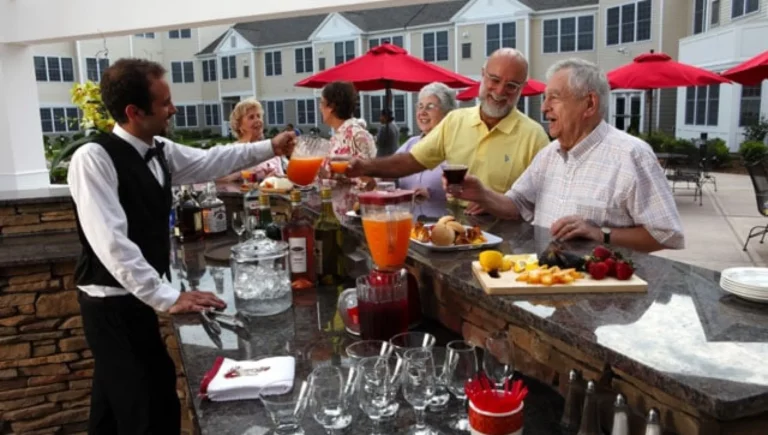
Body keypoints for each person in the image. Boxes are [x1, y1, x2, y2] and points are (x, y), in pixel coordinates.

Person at [67, 58, 296, 434]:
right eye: (165, 102)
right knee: (151, 411)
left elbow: (213, 160)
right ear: (134, 112)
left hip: (135, 301)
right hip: (111, 308)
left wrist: (271, 146)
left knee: (112, 411)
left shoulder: (159, 149)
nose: (173, 109)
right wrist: (168, 297)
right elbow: (112, 243)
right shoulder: (92, 159)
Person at [451, 58, 684, 253]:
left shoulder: (632, 155)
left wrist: (600, 234)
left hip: (602, 291)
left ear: (589, 104)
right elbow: (517, 204)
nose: (544, 108)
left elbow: (666, 235)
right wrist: (482, 194)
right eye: (545, 98)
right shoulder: (548, 155)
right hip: (547, 280)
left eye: (554, 97)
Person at [347, 48, 550, 202]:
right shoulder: (455, 121)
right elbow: (410, 161)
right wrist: (363, 166)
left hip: (505, 238)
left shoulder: (534, 136)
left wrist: (494, 203)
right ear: (482, 74)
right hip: (453, 231)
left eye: (511, 86)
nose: (499, 91)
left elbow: (542, 200)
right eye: (494, 80)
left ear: (522, 88)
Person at [395, 82, 456, 201]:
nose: (422, 112)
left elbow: (465, 191)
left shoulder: (456, 147)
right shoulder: (410, 144)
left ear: (447, 114)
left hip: (444, 213)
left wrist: (433, 194)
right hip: (407, 213)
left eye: (430, 107)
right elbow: (389, 173)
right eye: (420, 106)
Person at [218, 98, 285, 183]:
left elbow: (282, 181)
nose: (257, 120)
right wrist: (240, 174)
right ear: (239, 125)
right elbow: (217, 179)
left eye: (259, 116)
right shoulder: (232, 152)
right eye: (251, 117)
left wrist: (274, 180)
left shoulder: (271, 150)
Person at [321, 81, 376, 158]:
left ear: (331, 106)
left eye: (322, 103)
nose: (320, 108)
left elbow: (365, 165)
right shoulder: (339, 135)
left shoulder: (357, 136)